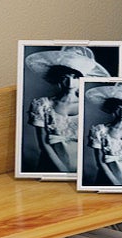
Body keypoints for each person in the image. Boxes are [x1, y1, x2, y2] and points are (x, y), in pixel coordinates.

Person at [24, 46, 108, 176]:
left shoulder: (85, 106)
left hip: (79, 167)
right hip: (51, 165)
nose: (70, 82)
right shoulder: (43, 105)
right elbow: (44, 143)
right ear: (58, 78)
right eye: (65, 77)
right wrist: (62, 170)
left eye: (75, 77)